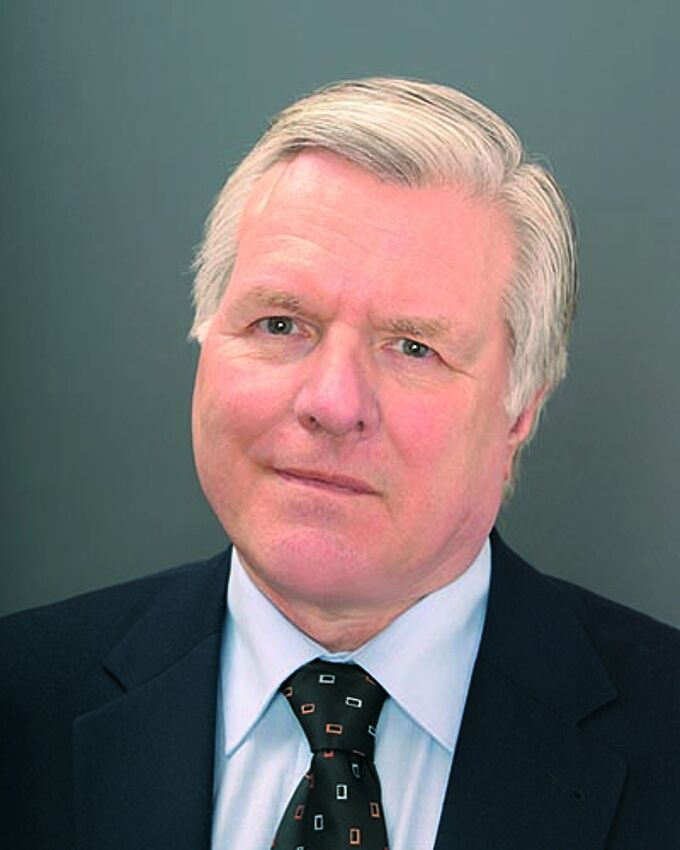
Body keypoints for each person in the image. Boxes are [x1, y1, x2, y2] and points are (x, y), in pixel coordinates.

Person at [1, 77, 678, 850]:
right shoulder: (21, 698)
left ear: (519, 411)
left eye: (413, 347)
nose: (332, 402)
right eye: (279, 323)